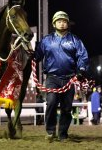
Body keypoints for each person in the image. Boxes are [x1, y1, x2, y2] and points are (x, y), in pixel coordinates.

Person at [34, 11, 89, 142]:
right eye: (59, 21)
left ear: (67, 23)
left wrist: (81, 70)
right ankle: (50, 131)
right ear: (54, 24)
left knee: (67, 107)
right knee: (51, 102)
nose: (62, 23)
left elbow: (83, 56)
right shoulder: (46, 40)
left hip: (69, 78)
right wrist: (31, 52)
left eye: (64, 21)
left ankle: (63, 134)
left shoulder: (75, 40)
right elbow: (36, 56)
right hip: (52, 78)